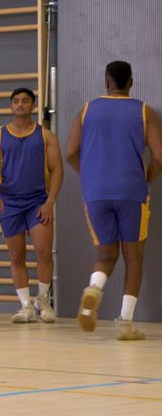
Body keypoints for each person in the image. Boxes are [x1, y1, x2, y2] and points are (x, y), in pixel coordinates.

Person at [65, 60, 162, 340]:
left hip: (96, 191)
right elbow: (158, 157)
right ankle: (126, 323)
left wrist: (91, 175)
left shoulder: (86, 110)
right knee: (134, 258)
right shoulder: (144, 111)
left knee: (106, 254)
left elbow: (71, 152)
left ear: (106, 81)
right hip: (131, 191)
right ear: (131, 82)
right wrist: (147, 179)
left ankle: (94, 289)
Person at [0, 88, 62, 323]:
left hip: (38, 201)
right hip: (10, 202)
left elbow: (57, 170)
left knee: (44, 252)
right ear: (11, 106)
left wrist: (50, 202)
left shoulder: (46, 136)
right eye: (16, 101)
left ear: (33, 106)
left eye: (25, 101)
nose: (20, 105)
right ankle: (26, 306)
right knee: (16, 255)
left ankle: (44, 301)